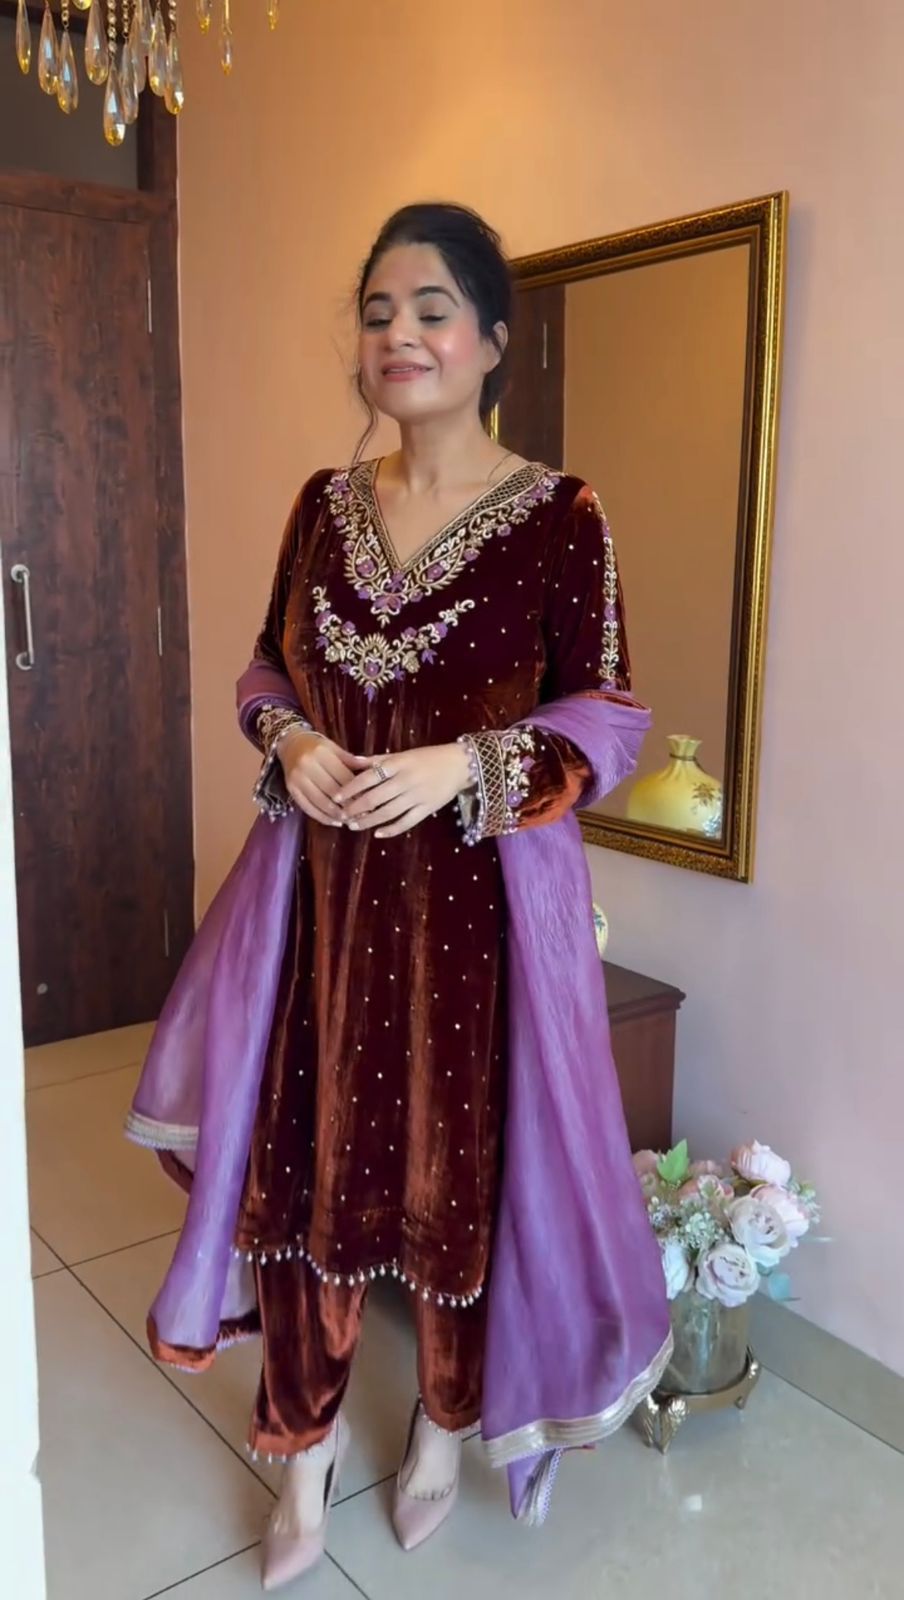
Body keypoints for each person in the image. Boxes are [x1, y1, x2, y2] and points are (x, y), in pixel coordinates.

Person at [127, 202, 671, 1592]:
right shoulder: (323, 506)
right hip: (315, 914)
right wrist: (289, 738)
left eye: (431, 310)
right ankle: (299, 1458)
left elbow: (608, 722)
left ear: (492, 338)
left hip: (477, 928)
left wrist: (465, 765)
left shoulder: (563, 518)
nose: (398, 336)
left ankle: (441, 1428)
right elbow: (264, 667)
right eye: (377, 312)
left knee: (454, 1194)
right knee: (296, 1177)